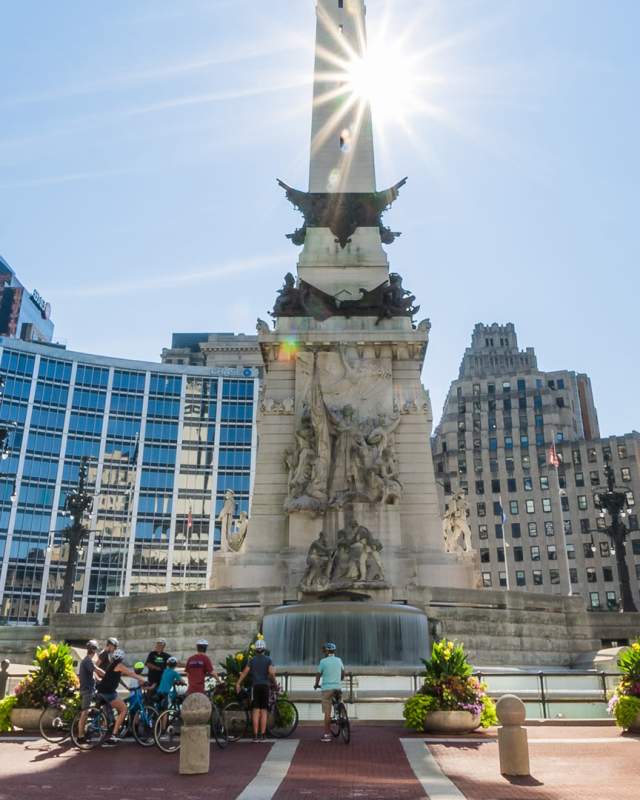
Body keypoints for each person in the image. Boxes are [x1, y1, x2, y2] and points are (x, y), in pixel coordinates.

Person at [95, 648, 145, 744]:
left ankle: (107, 728)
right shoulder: (119, 665)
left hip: (102, 691)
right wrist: (143, 679)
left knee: (115, 708)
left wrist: (126, 687)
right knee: (124, 709)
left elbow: (118, 679)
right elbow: (130, 673)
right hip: (109, 693)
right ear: (122, 658)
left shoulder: (111, 665)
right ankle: (114, 735)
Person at [235, 639, 276, 743]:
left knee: (256, 710)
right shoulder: (268, 660)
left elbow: (244, 672)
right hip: (265, 686)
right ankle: (262, 735)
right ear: (264, 649)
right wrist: (274, 683)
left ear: (256, 650)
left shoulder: (252, 660)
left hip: (255, 687)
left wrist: (238, 683)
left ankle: (255, 735)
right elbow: (271, 673)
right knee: (264, 711)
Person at [314, 642, 345, 742]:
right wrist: (340, 679)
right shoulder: (339, 660)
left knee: (327, 712)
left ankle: (327, 735)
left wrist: (316, 684)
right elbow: (343, 673)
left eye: (324, 650)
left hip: (327, 689)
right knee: (340, 701)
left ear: (327, 651)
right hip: (338, 687)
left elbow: (318, 674)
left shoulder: (323, 661)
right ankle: (342, 714)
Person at [77, 639, 103, 739]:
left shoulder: (87, 660)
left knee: (92, 708)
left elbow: (93, 673)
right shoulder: (88, 660)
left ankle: (89, 728)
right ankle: (80, 735)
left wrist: (99, 679)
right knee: (85, 712)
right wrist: (108, 675)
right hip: (87, 690)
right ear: (94, 650)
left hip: (90, 689)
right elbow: (97, 670)